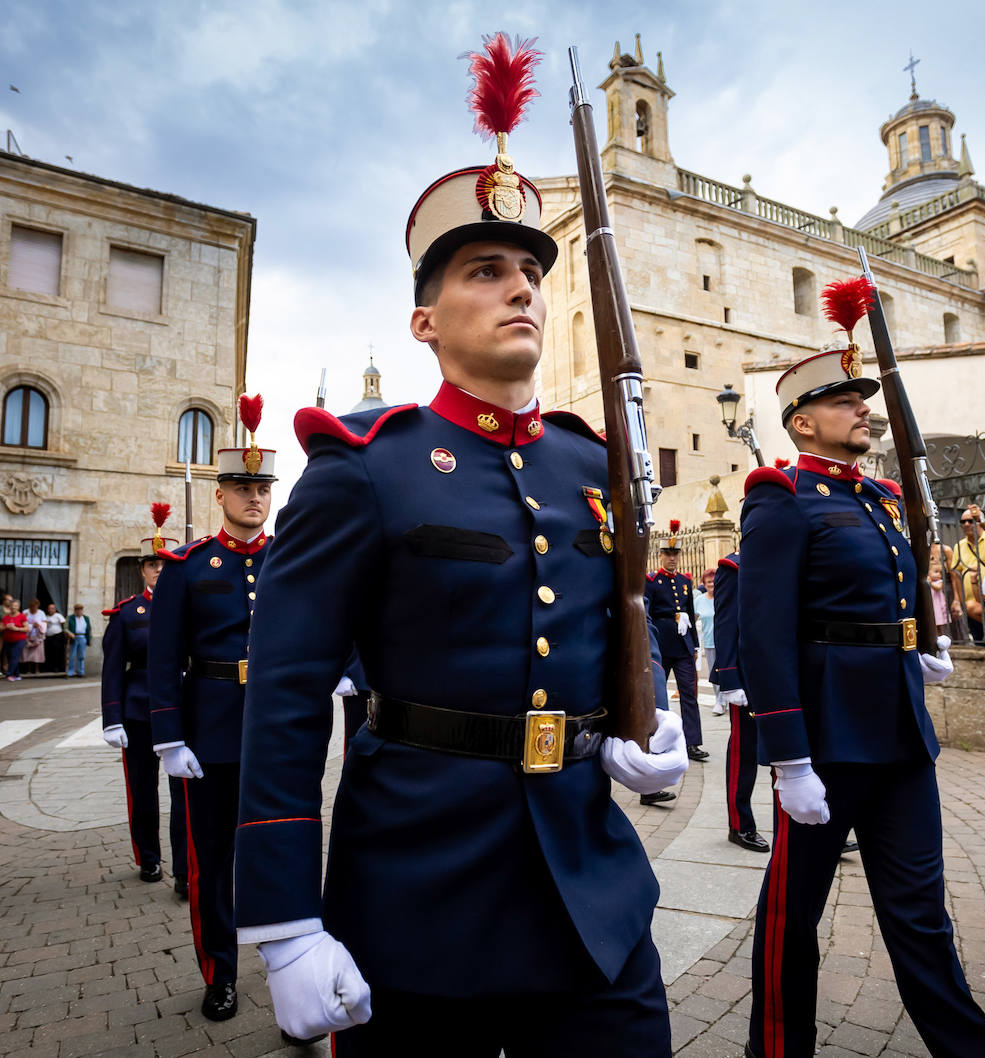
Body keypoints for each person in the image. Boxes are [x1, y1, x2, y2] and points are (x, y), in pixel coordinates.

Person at [233, 38, 686, 1053]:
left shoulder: (590, 462)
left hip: (591, 887)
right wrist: (283, 920)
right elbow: (289, 694)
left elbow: (620, 608)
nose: (522, 286)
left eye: (531, 268)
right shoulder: (363, 467)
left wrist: (644, 722)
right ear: (425, 319)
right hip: (416, 896)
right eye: (488, 269)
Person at [740, 305, 985, 1058]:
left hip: (899, 729)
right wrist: (788, 757)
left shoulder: (882, 499)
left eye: (863, 398)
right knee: (793, 917)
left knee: (922, 915)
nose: (864, 408)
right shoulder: (781, 496)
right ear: (802, 423)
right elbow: (763, 638)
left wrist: (922, 641)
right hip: (826, 738)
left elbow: (905, 585)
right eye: (844, 400)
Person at [148, 395, 276, 1024]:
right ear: (221, 493)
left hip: (276, 735)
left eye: (263, 487)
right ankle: (219, 973)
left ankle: (288, 975)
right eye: (243, 487)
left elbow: (334, 628)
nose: (255, 498)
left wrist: (344, 673)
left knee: (278, 856)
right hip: (213, 735)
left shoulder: (288, 561)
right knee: (212, 860)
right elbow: (162, 657)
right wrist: (170, 736)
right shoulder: (188, 567)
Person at [101, 508, 188, 893]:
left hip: (182, 710)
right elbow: (112, 670)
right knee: (143, 792)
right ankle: (149, 859)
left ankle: (185, 868)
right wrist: (111, 718)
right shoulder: (125, 614)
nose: (158, 570)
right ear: (142, 570)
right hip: (137, 712)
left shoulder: (188, 608)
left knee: (184, 794)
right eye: (152, 564)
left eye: (164, 563)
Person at [711, 551, 768, 853]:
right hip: (750, 675)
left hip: (788, 669)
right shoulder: (734, 567)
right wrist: (730, 678)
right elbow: (725, 624)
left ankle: (811, 824)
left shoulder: (792, 556)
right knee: (745, 751)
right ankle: (740, 824)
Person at [646, 525, 709, 762]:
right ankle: (659, 741)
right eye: (668, 555)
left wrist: (694, 646)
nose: (672, 559)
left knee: (689, 694)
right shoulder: (651, 581)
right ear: (660, 555)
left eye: (676, 555)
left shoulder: (684, 581)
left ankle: (692, 742)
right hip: (661, 644)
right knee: (659, 696)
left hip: (682, 645)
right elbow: (647, 614)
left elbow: (690, 615)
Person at [952, 504, 985, 644]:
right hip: (971, 608)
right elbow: (956, 575)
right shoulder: (959, 546)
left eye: (971, 520)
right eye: (963, 521)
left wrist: (981, 519)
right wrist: (957, 600)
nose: (967, 524)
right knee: (980, 644)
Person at [698, 568, 721, 713]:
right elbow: (692, 620)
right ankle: (719, 699)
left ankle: (723, 700)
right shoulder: (699, 601)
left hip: (724, 641)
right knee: (714, 672)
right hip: (709, 641)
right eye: (708, 582)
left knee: (726, 670)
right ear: (704, 584)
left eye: (713, 582)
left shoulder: (722, 597)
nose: (711, 585)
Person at [3, 599, 28, 680]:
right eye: (12, 606)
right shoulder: (6, 617)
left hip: (19, 640)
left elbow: (27, 629)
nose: (13, 607)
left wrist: (16, 628)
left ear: (18, 607)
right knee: (10, 657)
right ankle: (17, 675)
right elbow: (1, 626)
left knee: (14, 656)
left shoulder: (22, 616)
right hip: (7, 640)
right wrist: (6, 627)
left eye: (15, 606)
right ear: (9, 606)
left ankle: (9, 674)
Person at [66, 604, 91, 677]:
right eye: (77, 610)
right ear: (74, 610)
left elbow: (89, 629)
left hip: (82, 637)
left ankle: (80, 671)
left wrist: (89, 639)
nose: (79, 611)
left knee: (81, 656)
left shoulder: (86, 618)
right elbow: (65, 628)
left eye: (80, 610)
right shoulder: (70, 618)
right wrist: (70, 633)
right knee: (72, 655)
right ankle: (70, 671)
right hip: (74, 637)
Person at [21, 599, 45, 674]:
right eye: (31, 607)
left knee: (37, 653)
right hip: (27, 635)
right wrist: (32, 625)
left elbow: (45, 623)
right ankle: (28, 669)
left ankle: (37, 669)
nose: (33, 608)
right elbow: (21, 622)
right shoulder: (25, 612)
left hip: (37, 635)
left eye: (35, 607)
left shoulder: (41, 613)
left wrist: (39, 625)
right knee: (27, 653)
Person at [43, 603, 66, 674]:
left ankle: (57, 668)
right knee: (49, 652)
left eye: (52, 608)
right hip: (48, 637)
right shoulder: (46, 617)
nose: (51, 610)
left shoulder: (58, 615)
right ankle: (49, 667)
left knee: (57, 652)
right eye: (49, 608)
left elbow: (64, 623)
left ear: (55, 609)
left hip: (57, 636)